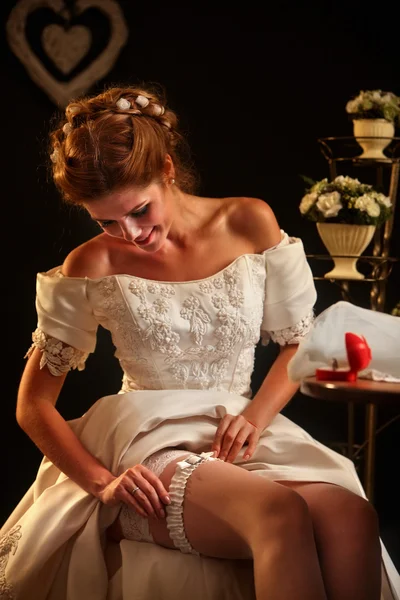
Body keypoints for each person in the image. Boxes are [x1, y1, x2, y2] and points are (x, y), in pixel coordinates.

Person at [0, 83, 398, 600]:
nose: (130, 234)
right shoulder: (90, 264)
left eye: (139, 211)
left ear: (167, 169)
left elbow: (300, 342)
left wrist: (254, 417)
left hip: (237, 427)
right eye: (106, 221)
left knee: (352, 515)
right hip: (146, 437)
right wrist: (102, 483)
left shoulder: (249, 221)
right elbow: (32, 404)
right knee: (279, 513)